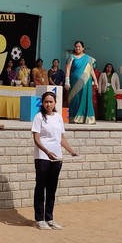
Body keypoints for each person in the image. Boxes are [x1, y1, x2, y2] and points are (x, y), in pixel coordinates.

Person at [31, 91, 78, 230]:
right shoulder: (39, 117)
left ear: (55, 103)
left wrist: (71, 151)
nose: (48, 104)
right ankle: (40, 219)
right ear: (42, 103)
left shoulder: (58, 117)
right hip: (43, 157)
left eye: (51, 102)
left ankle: (49, 218)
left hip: (56, 157)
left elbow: (61, 138)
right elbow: (36, 139)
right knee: (41, 187)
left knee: (52, 188)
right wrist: (47, 152)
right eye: (46, 102)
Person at [64, 41, 97, 124]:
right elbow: (67, 69)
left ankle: (86, 118)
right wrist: (67, 80)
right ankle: (74, 118)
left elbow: (91, 70)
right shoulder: (71, 57)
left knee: (85, 98)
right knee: (75, 99)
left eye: (79, 47)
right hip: (74, 82)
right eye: (76, 47)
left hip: (86, 82)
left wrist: (95, 80)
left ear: (83, 48)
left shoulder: (88, 58)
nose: (77, 48)